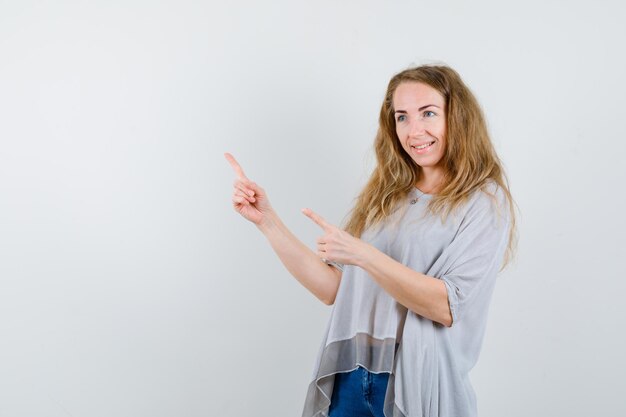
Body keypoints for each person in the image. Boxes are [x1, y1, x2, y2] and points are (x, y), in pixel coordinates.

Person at [225, 64, 517, 417]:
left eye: (428, 113)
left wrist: (363, 255)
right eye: (402, 117)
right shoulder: (387, 195)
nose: (415, 130)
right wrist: (267, 221)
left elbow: (446, 306)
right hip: (352, 377)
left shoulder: (483, 200)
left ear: (458, 117)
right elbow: (334, 289)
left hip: (416, 386)